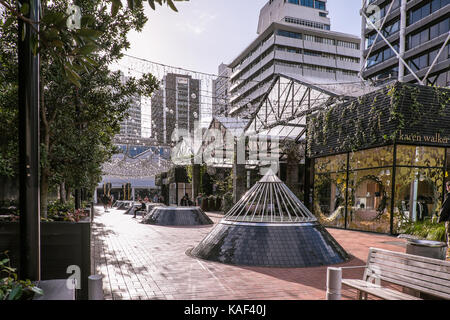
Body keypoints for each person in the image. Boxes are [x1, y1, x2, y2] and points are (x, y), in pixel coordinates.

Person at [438, 181, 450, 258]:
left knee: (449, 235)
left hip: (449, 220)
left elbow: (445, 209)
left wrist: (440, 219)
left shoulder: (449, 196)